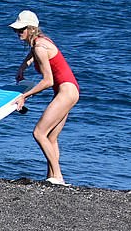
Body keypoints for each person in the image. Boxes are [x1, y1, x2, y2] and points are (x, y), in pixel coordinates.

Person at [10, 10, 79, 186]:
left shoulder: (40, 47)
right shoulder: (41, 43)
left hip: (65, 91)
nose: (18, 33)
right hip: (69, 91)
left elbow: (48, 81)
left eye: (21, 29)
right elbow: (32, 55)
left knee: (39, 133)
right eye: (16, 30)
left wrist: (24, 96)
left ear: (31, 29)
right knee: (51, 137)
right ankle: (52, 176)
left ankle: (58, 177)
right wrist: (22, 68)